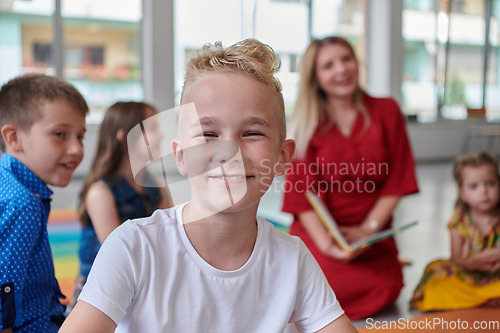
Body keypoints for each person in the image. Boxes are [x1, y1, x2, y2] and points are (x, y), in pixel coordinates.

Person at [59, 39, 358, 333]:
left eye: (252, 132)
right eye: (209, 134)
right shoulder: (133, 247)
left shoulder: (293, 260)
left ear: (282, 158)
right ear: (180, 157)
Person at [282, 36, 419, 320]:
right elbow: (300, 192)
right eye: (328, 65)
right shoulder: (308, 123)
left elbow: (397, 178)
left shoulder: (387, 110)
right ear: (316, 77)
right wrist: (328, 245)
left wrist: (368, 229)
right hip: (319, 234)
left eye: (346, 59)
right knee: (311, 283)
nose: (341, 70)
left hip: (371, 235)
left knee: (386, 285)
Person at [0, 74, 88, 332]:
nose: (76, 149)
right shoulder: (22, 203)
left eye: (80, 136)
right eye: (60, 134)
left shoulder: (11, 183)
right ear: (14, 138)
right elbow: (4, 286)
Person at [70, 102, 172, 308]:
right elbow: (119, 256)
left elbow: (172, 237)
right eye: (151, 129)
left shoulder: (156, 188)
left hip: (142, 285)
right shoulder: (100, 193)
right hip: (99, 293)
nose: (161, 135)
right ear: (125, 136)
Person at [411, 152, 500, 311]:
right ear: (462, 193)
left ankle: (481, 300)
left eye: (491, 183)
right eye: (474, 186)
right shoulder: (458, 221)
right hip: (469, 278)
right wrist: (470, 264)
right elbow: (456, 259)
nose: (483, 191)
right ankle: (486, 300)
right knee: (435, 271)